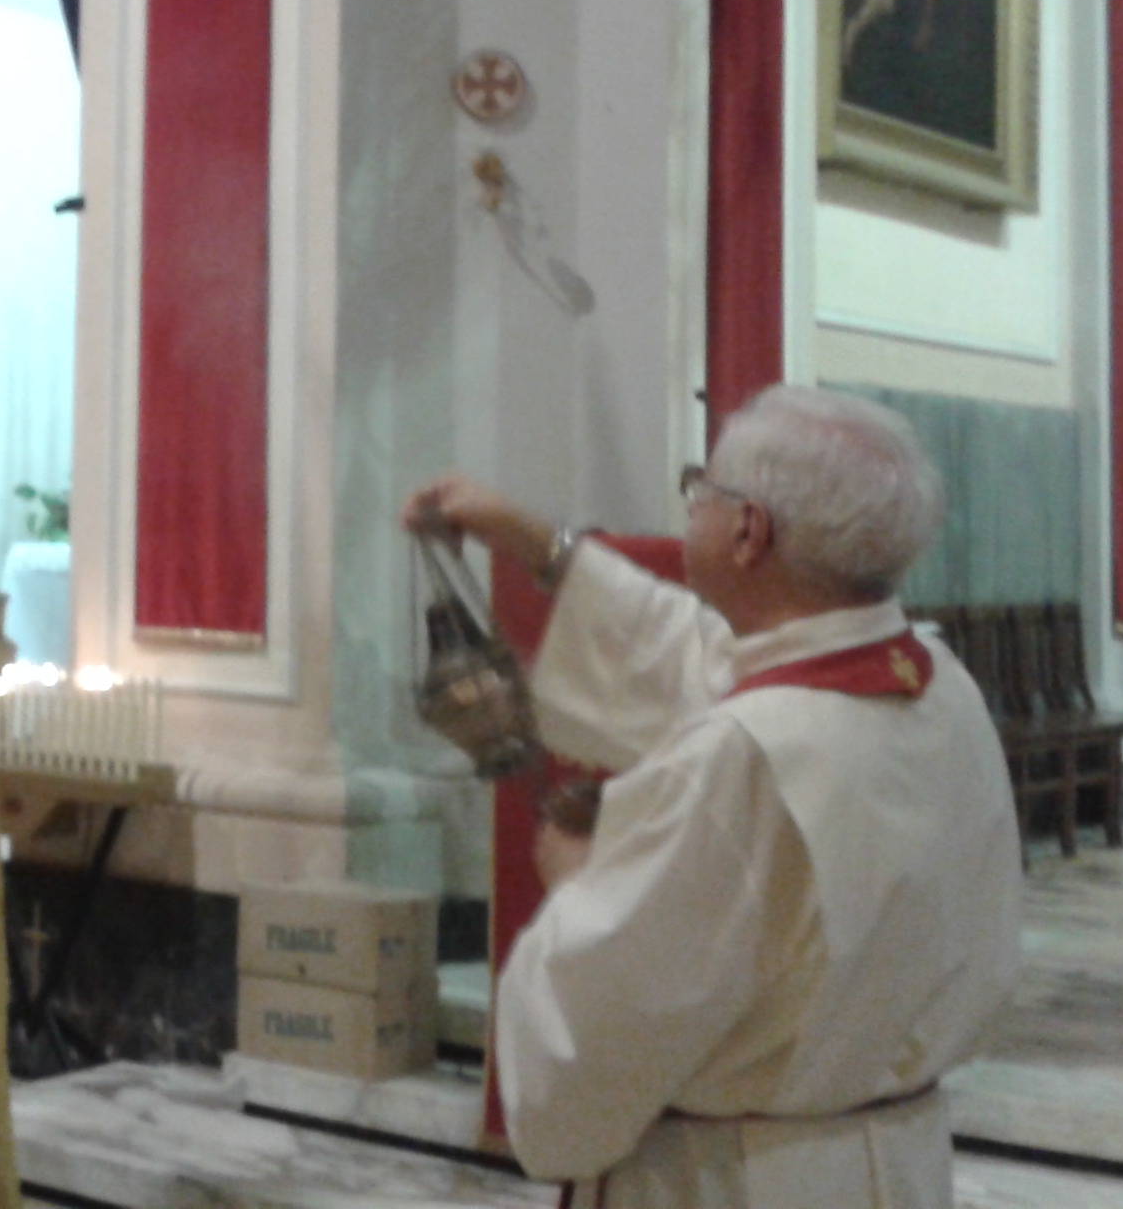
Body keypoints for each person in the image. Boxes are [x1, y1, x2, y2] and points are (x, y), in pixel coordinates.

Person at [403, 385, 1021, 1208]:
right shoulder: (940, 686)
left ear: (747, 529)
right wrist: (536, 543)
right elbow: (693, 653)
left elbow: (602, 1028)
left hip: (734, 1180)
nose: (691, 506)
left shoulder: (739, 758)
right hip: (893, 1162)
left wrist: (585, 878)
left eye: (702, 491)